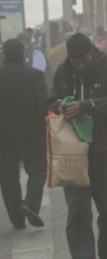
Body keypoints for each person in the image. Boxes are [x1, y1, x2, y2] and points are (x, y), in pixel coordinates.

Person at [52, 33, 107, 259]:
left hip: (105, 152)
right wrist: (59, 106)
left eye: (85, 60)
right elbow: (50, 100)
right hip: (73, 155)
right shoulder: (63, 72)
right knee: (77, 213)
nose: (81, 66)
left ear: (91, 52)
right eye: (76, 63)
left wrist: (87, 105)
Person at [0, 38, 48, 230]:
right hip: (32, 131)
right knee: (38, 170)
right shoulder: (34, 75)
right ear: (22, 53)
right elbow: (43, 105)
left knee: (7, 175)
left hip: (3, 134)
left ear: (4, 53)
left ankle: (16, 219)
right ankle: (30, 204)